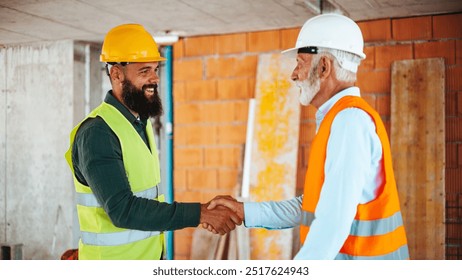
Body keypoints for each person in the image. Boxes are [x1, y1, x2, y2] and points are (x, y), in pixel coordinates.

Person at [207, 13, 410, 260]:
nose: (294, 74)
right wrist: (244, 211)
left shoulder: (349, 122)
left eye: (300, 62)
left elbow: (331, 225)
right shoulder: (339, 119)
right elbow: (314, 207)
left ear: (324, 67)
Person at [64, 23, 241, 260]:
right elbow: (122, 210)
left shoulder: (140, 123)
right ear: (116, 74)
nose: (155, 79)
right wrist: (199, 214)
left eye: (155, 69)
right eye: (144, 71)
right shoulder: (98, 132)